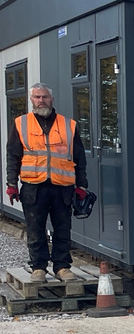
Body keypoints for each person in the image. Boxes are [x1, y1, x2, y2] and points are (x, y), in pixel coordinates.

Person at [5, 83, 88, 283]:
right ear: (31, 100)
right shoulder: (21, 123)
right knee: (35, 228)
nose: (41, 100)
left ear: (51, 99)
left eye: (44, 97)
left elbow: (79, 157)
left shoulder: (68, 125)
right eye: (37, 97)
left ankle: (62, 267)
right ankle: (38, 268)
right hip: (34, 187)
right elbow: (13, 155)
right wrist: (11, 183)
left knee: (63, 228)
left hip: (63, 187)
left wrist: (81, 185)